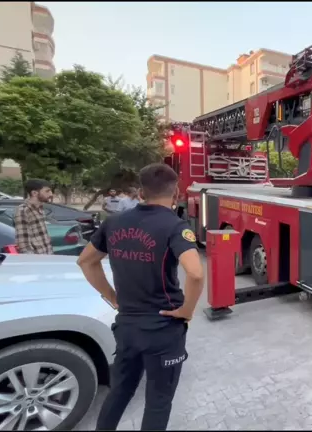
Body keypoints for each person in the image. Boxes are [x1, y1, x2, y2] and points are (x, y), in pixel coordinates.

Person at [77, 163, 204, 430]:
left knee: (120, 391)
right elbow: (195, 273)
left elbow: (86, 261)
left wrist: (112, 296)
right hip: (162, 329)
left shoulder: (114, 223)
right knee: (158, 401)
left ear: (140, 192)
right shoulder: (174, 226)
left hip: (127, 327)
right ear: (176, 193)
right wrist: (187, 311)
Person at [13, 179, 55, 255]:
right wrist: (33, 261)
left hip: (47, 255)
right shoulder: (24, 210)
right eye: (47, 191)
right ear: (34, 193)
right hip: (37, 260)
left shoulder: (40, 208)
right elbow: (23, 242)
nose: (51, 194)